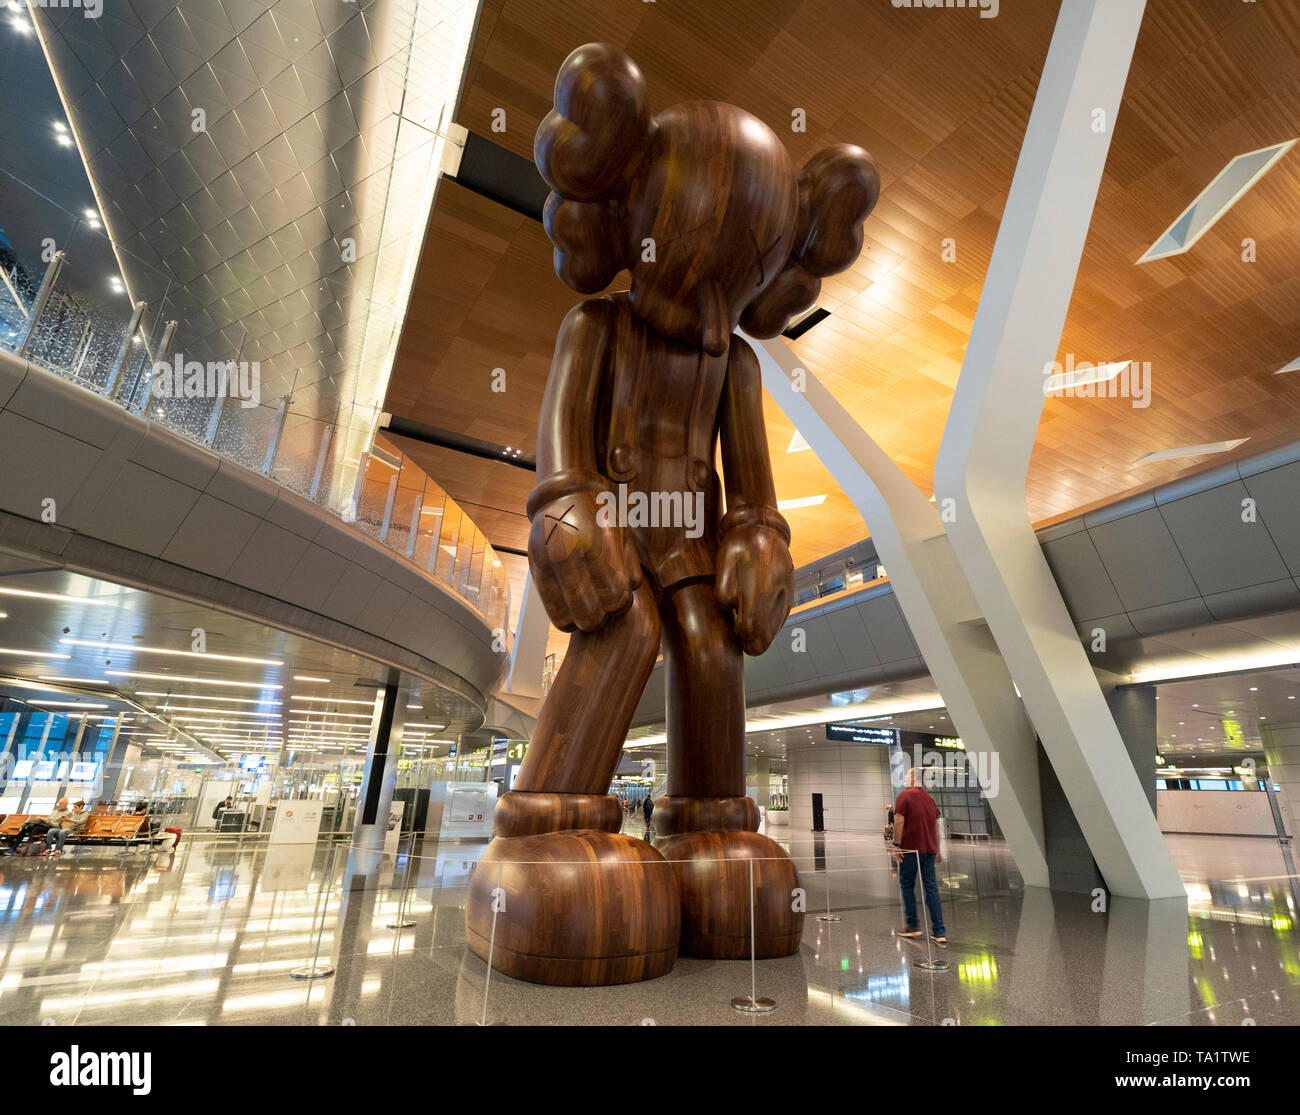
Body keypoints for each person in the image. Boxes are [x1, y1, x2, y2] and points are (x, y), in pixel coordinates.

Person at [891, 769, 946, 945]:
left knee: (907, 884)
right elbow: (936, 827)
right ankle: (939, 932)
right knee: (931, 889)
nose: (905, 777)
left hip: (911, 850)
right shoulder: (929, 799)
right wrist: (936, 850)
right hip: (929, 850)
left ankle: (913, 926)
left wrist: (896, 845)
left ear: (914, 779)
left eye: (908, 775)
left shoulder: (904, 796)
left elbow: (899, 821)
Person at [2, 798, 72, 855]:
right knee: (26, 828)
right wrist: (44, 819)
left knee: (36, 828)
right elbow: (48, 818)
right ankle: (14, 848)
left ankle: (27, 847)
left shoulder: (67, 813)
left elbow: (60, 826)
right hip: (45, 825)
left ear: (65, 804)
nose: (58, 805)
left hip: (52, 828)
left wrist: (49, 822)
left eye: (60, 804)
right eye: (58, 803)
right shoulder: (55, 811)